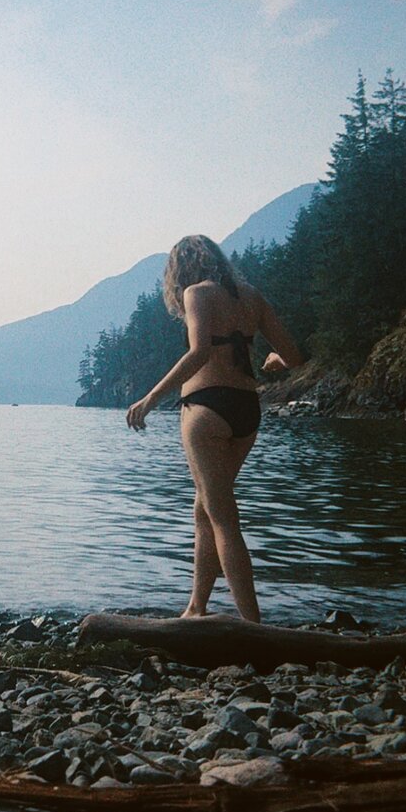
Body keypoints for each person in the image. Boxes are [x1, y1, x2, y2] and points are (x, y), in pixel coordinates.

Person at [126, 235, 303, 622]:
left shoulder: (196, 293)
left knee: (223, 518)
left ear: (181, 269)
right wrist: (274, 360)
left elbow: (200, 352)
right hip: (246, 411)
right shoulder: (252, 297)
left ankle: (254, 626)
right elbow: (293, 355)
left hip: (207, 409)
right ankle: (196, 607)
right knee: (205, 508)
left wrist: (150, 398)